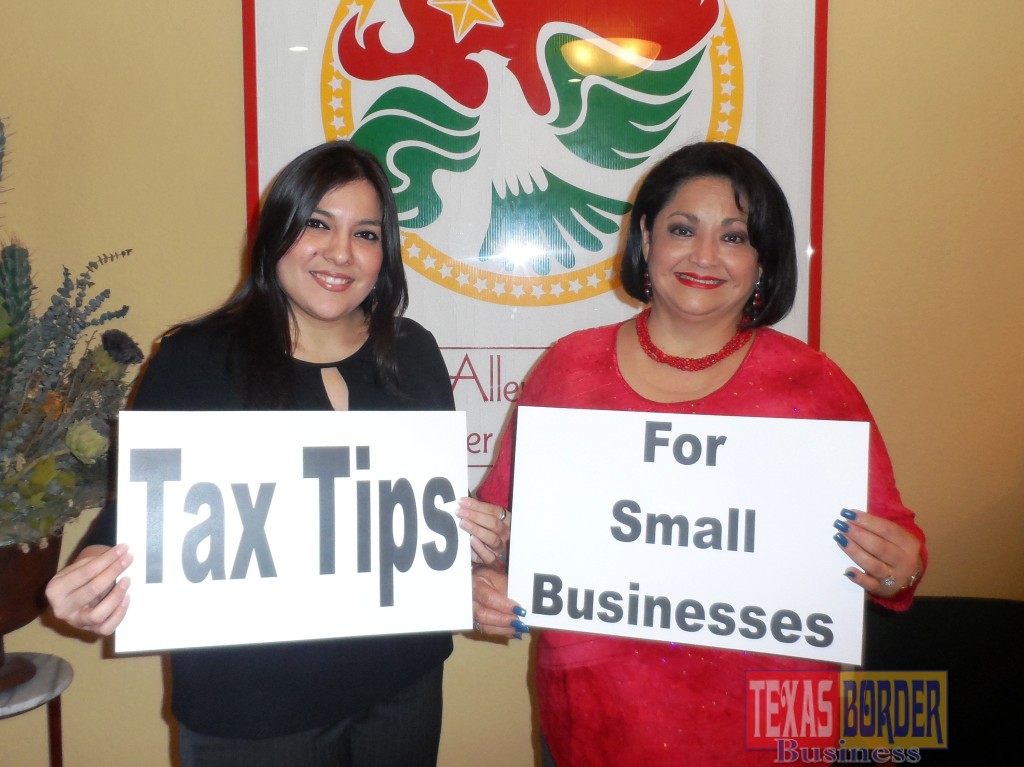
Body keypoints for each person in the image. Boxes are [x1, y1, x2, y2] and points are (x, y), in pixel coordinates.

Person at [469, 141, 927, 766]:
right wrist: (483, 580)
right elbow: (496, 529)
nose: (705, 256)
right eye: (683, 229)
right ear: (646, 240)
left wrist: (898, 564)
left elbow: (897, 548)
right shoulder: (569, 370)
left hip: (768, 733)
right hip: (592, 724)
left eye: (734, 237)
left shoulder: (814, 384)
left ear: (764, 259)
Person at [45, 140, 463, 767]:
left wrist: (481, 541)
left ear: (386, 253)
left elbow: (432, 510)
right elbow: (141, 512)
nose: (341, 253)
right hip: (252, 709)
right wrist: (95, 572)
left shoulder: (413, 352)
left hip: (402, 685)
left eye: (367, 234)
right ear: (277, 233)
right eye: (317, 224)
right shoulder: (197, 360)